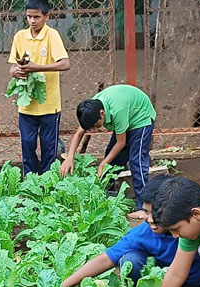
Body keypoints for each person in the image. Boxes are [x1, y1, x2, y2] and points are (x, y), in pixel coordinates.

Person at [61, 175, 200, 287]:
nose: (150, 220)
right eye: (145, 212)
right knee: (131, 259)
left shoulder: (194, 226)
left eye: (156, 214)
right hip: (168, 283)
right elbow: (106, 259)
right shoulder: (144, 233)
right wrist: (65, 285)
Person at [60, 84, 156, 220]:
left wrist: (102, 164)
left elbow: (121, 143)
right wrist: (70, 157)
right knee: (113, 159)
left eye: (95, 126)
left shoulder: (118, 111)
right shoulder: (91, 108)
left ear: (102, 113)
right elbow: (78, 133)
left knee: (137, 162)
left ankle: (144, 207)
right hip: (126, 117)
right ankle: (109, 195)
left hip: (141, 118)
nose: (94, 129)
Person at [8, 0, 70, 175]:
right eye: (29, 16)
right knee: (27, 146)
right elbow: (13, 66)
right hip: (26, 105)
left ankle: (49, 184)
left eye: (36, 17)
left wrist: (38, 68)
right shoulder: (20, 36)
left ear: (46, 16)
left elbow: (65, 63)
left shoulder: (52, 35)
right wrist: (15, 71)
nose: (32, 21)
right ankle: (31, 183)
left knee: (48, 147)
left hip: (49, 105)